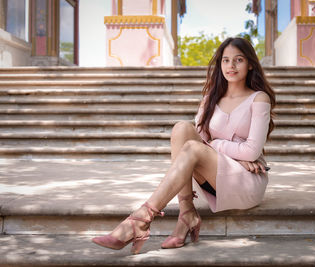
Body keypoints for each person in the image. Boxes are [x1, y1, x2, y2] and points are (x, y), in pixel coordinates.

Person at [92, 37, 276, 254]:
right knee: (181, 128)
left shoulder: (259, 99)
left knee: (194, 148)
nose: (231, 66)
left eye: (238, 60)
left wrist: (216, 144)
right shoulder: (211, 98)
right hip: (215, 175)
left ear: (250, 64)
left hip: (246, 180)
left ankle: (141, 219)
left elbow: (251, 151)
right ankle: (186, 212)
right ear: (220, 65)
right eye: (225, 60)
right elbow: (199, 140)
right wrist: (227, 149)